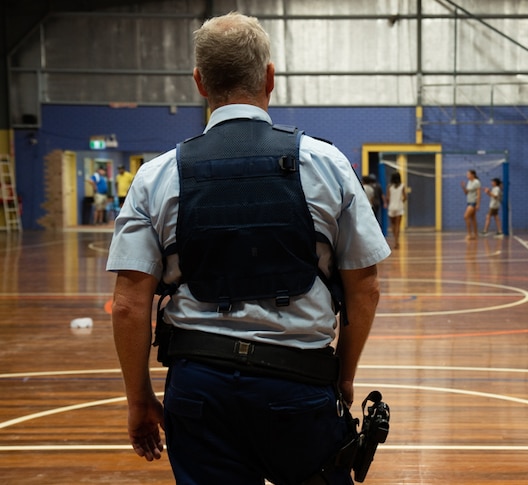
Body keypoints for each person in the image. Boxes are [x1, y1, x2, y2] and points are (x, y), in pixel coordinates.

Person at [107, 12, 390, 485]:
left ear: (199, 82)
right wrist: (342, 375)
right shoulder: (328, 164)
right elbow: (366, 289)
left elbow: (127, 306)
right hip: (299, 386)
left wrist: (140, 401)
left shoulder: (155, 176)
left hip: (200, 395)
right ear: (270, 77)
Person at [385, 171, 406, 249]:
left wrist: (388, 202)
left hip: (391, 207)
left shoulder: (389, 186)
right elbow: (405, 197)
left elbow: (387, 198)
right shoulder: (402, 186)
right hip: (399, 207)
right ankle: (396, 242)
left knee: (393, 225)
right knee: (398, 225)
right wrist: (401, 201)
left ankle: (395, 240)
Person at [461, 170, 481, 240]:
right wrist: (463, 187)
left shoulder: (476, 182)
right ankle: (475, 234)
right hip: (469, 201)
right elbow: (466, 193)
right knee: (473, 218)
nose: (467, 175)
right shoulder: (469, 182)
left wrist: (478, 204)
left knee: (466, 216)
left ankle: (469, 234)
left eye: (468, 174)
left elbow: (479, 194)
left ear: (473, 175)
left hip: (473, 202)